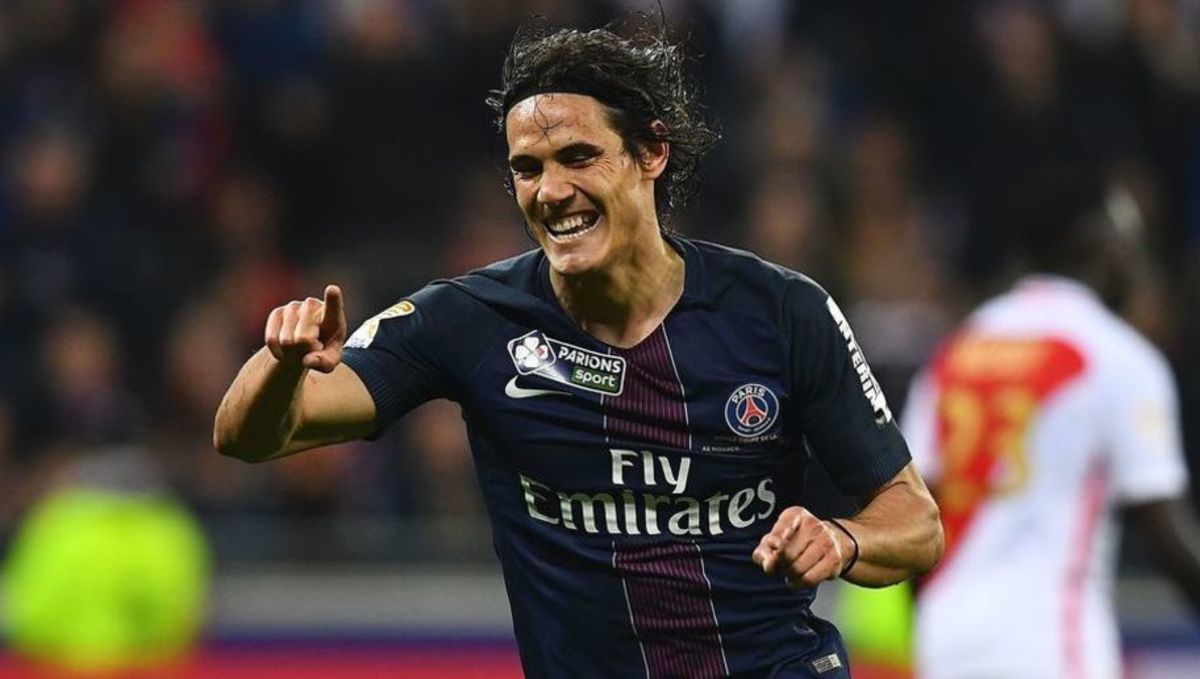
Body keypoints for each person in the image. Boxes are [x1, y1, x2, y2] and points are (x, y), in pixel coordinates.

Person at [214, 16, 943, 678]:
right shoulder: (470, 321)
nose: (551, 190)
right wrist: (279, 364)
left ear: (650, 152)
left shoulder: (781, 312)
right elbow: (247, 435)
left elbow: (915, 521)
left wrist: (842, 540)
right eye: (528, 169)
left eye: (578, 156)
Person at [901, 166, 1200, 679]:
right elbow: (1166, 529)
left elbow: (912, 508)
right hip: (1049, 640)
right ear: (1096, 242)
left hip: (945, 636)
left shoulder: (958, 351)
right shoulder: (1115, 356)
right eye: (1128, 237)